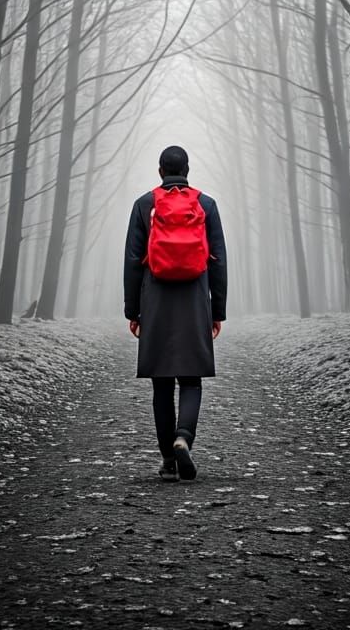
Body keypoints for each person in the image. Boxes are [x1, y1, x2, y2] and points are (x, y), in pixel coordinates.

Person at [123, 145, 227, 482]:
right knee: (191, 380)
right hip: (195, 298)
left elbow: (132, 261)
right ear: (187, 169)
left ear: (160, 171)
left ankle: (168, 458)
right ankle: (185, 437)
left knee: (162, 385)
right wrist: (217, 310)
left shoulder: (144, 205)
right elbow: (218, 261)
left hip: (155, 299)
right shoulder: (206, 205)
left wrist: (133, 310)